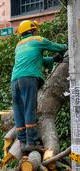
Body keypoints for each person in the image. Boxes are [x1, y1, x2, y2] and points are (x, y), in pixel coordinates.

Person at [11, 20, 67, 152]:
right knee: (30, 108)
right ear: (32, 30)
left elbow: (36, 59)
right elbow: (59, 47)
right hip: (28, 78)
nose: (37, 32)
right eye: (35, 29)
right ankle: (32, 141)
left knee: (19, 110)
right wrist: (68, 44)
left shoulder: (19, 45)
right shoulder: (38, 39)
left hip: (15, 80)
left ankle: (23, 143)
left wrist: (53, 60)